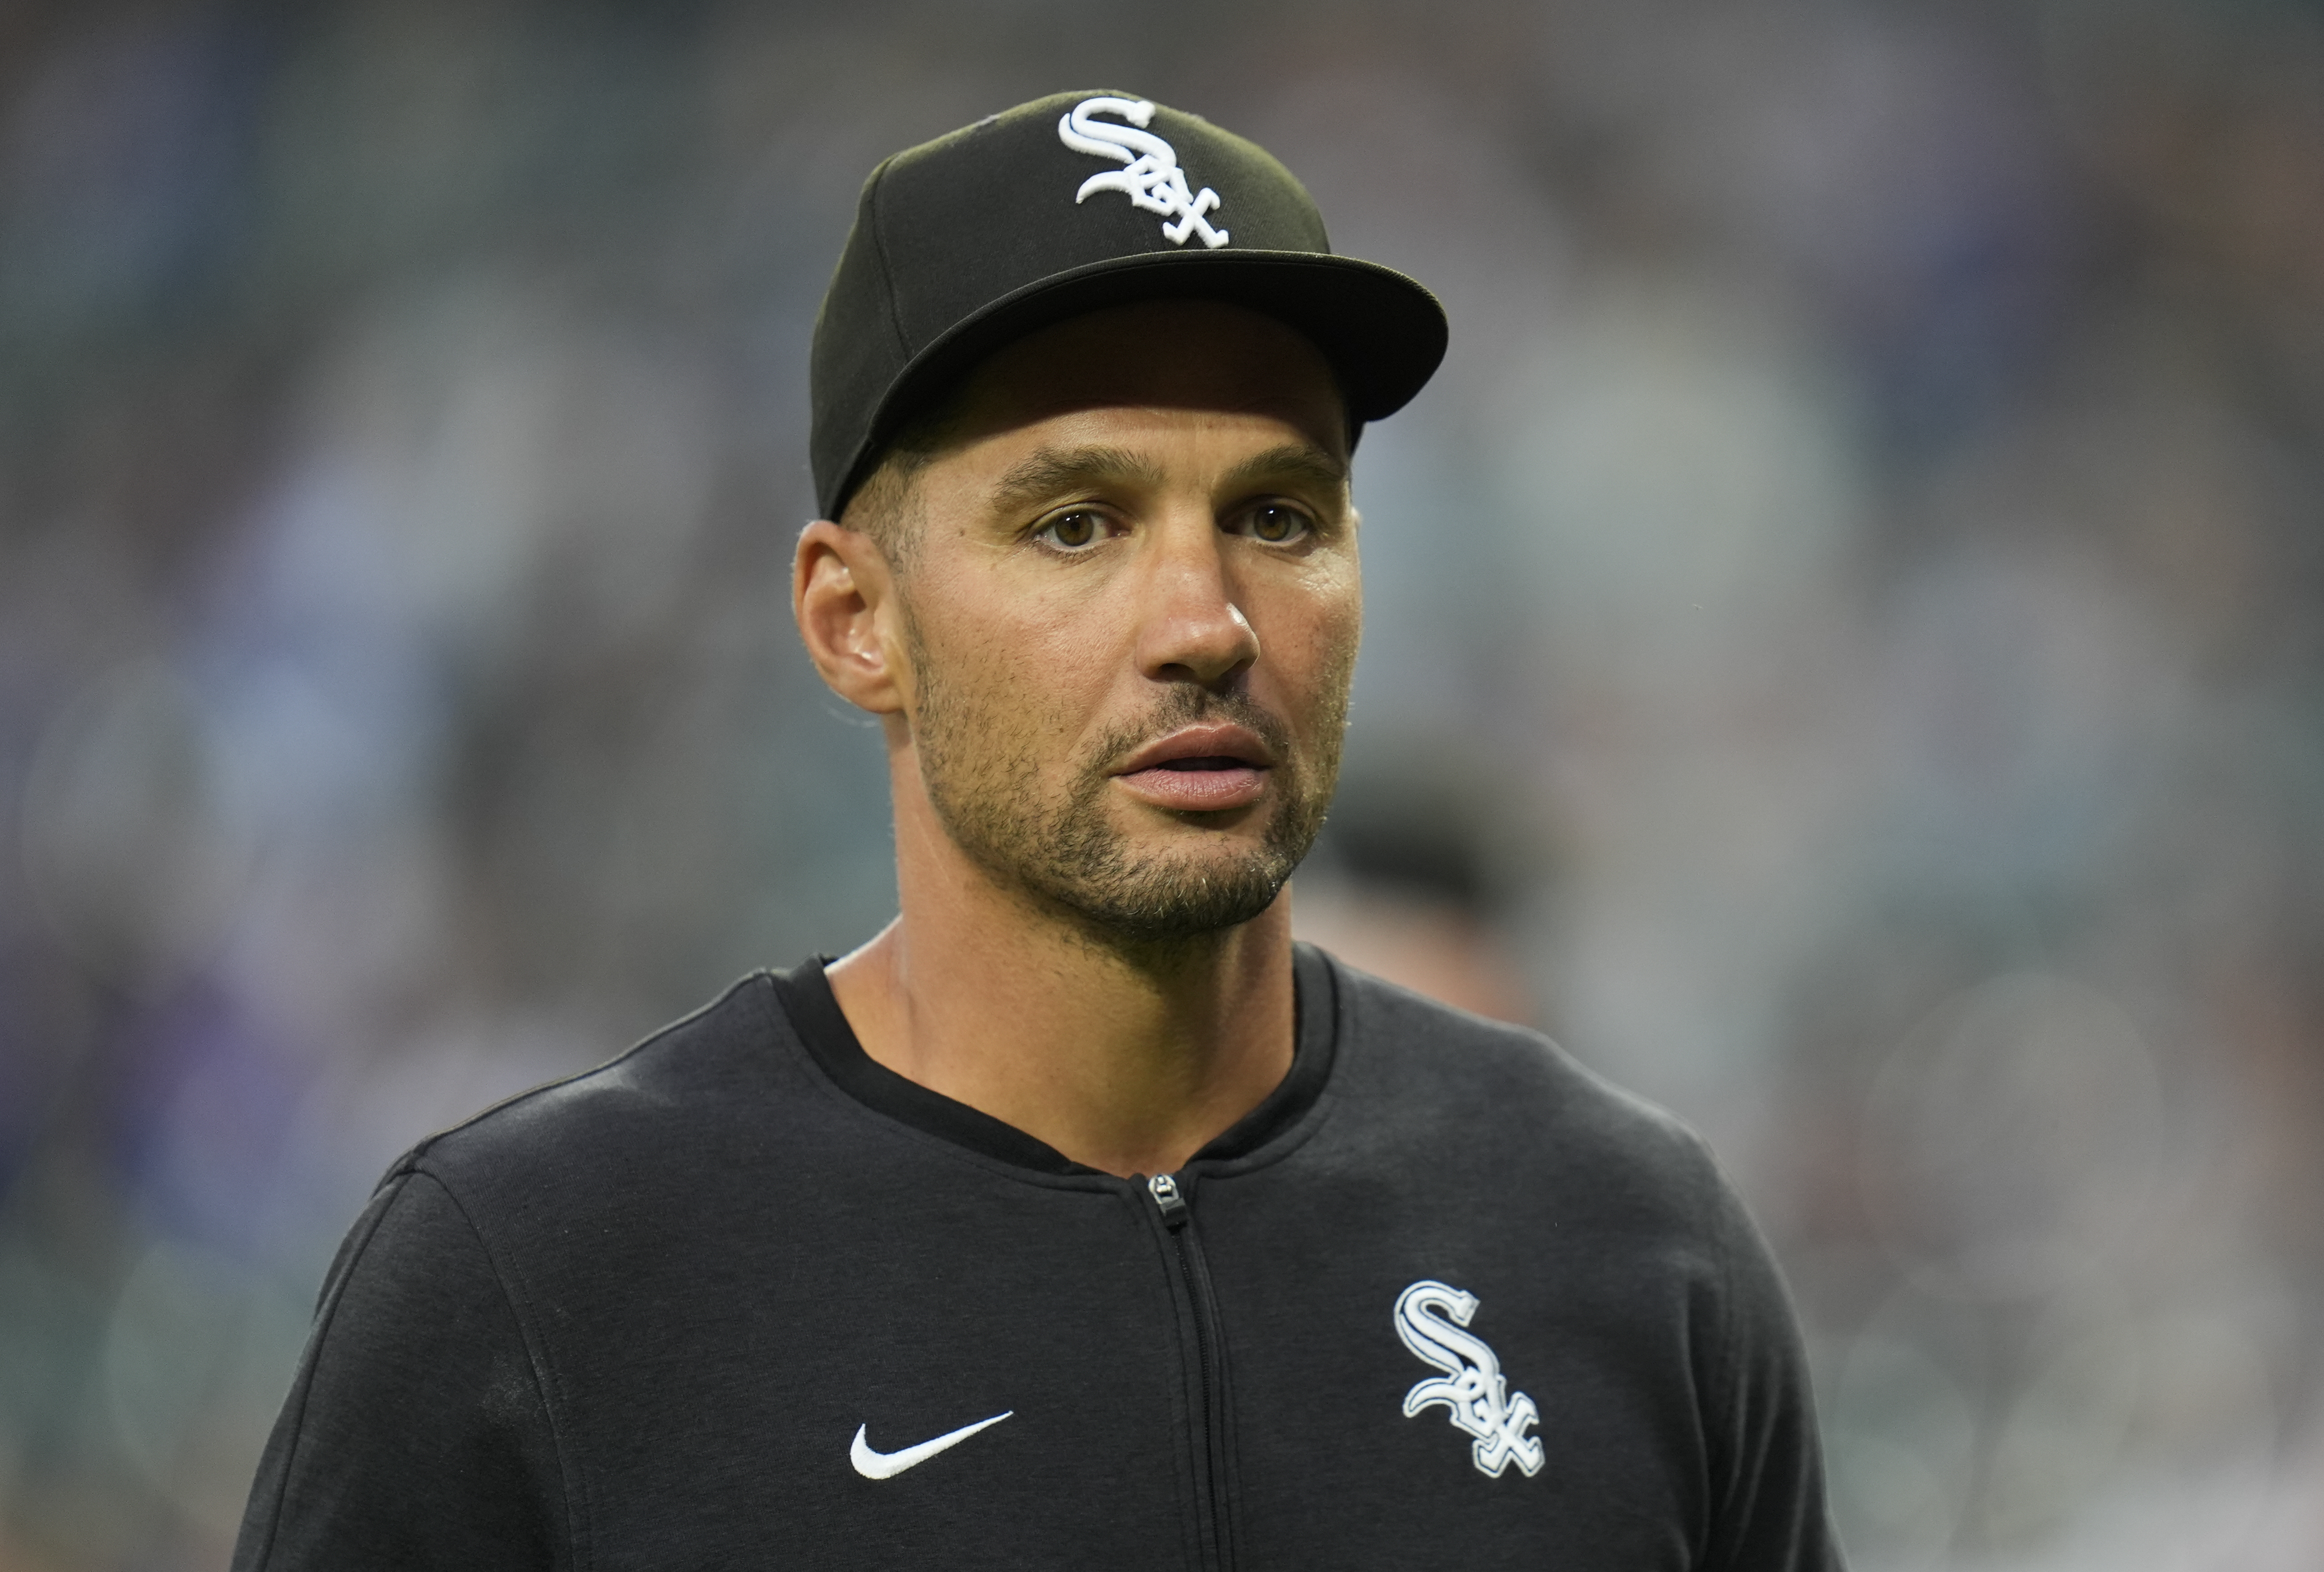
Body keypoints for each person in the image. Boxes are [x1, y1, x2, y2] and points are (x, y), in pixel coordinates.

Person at [232, 91, 1843, 1570]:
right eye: (1075, 523)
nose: (1206, 620)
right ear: (854, 618)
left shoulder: (1628, 1240)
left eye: (1276, 515)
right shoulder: (539, 1276)